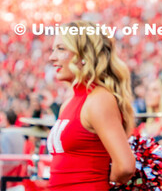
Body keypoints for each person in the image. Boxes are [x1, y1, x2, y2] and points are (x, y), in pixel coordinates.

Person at [47, 20, 136, 190]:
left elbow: (125, 166)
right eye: (53, 50)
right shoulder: (69, 102)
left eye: (61, 49)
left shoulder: (99, 99)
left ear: (84, 55)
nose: (52, 57)